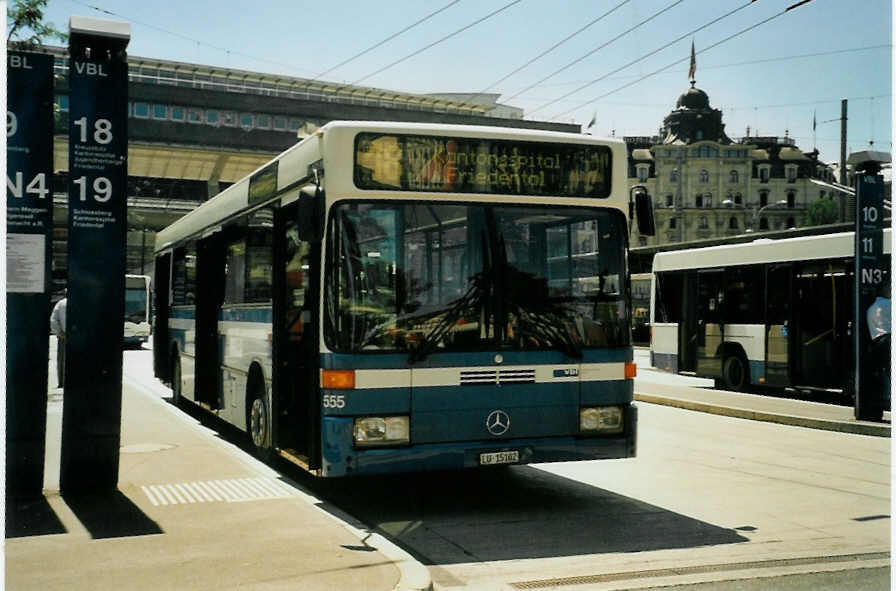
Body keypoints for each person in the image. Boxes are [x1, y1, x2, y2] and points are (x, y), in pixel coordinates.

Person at [866, 282, 891, 407]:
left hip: (877, 341)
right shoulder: (889, 304)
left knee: (884, 370)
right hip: (889, 338)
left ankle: (886, 395)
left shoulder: (871, 308)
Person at [49, 291, 67, 389]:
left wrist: (59, 332)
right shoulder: (83, 302)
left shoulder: (61, 303)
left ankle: (62, 382)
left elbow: (53, 320)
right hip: (79, 336)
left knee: (62, 360)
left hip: (63, 336)